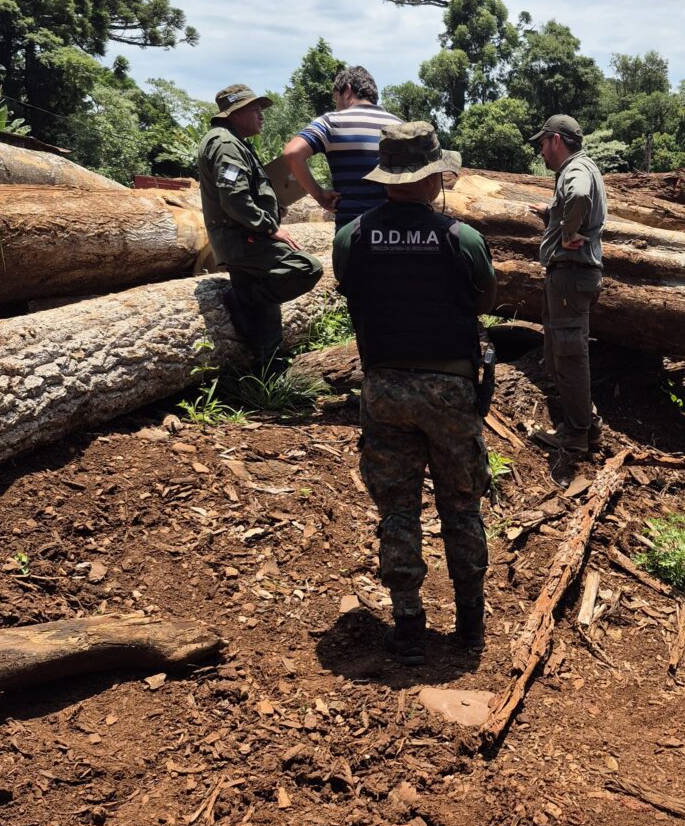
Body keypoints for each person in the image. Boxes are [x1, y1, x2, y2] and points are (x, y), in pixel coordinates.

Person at [333, 121, 497, 667]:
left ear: (386, 178)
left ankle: (407, 625)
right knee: (461, 504)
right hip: (449, 389)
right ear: (431, 177)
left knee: (398, 509)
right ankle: (469, 625)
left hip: (384, 389)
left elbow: (351, 287)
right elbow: (482, 298)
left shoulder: (351, 236)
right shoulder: (462, 238)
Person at [197, 83, 323, 370]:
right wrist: (270, 226)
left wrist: (273, 207)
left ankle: (268, 371)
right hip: (243, 240)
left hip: (245, 237)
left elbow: (242, 193)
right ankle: (242, 299)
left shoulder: (233, 141)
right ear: (236, 112)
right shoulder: (226, 145)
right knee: (306, 269)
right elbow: (234, 198)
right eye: (255, 109)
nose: (261, 115)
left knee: (266, 308)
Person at [527, 113, 608, 457]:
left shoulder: (575, 171)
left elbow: (577, 195)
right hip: (572, 277)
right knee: (563, 352)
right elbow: (573, 202)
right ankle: (586, 426)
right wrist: (552, 215)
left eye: (543, 143)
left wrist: (569, 232)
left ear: (556, 140)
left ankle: (575, 434)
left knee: (569, 354)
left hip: (571, 276)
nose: (541, 151)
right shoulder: (583, 166)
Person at [279, 64, 403, 227]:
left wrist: (318, 194)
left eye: (336, 99)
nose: (336, 106)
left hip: (351, 233)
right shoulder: (400, 126)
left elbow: (292, 153)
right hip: (394, 233)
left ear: (348, 90)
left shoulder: (331, 122)